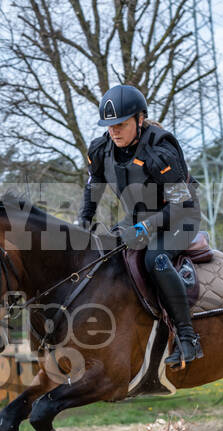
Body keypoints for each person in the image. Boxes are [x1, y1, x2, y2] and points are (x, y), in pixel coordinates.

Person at [78, 84, 203, 368]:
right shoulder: (101, 149)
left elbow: (181, 206)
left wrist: (144, 230)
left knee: (155, 258)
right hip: (137, 216)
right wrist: (82, 221)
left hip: (180, 219)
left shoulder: (161, 151)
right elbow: (94, 185)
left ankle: (187, 338)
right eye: (109, 126)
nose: (114, 131)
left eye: (120, 124)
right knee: (102, 255)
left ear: (140, 119)